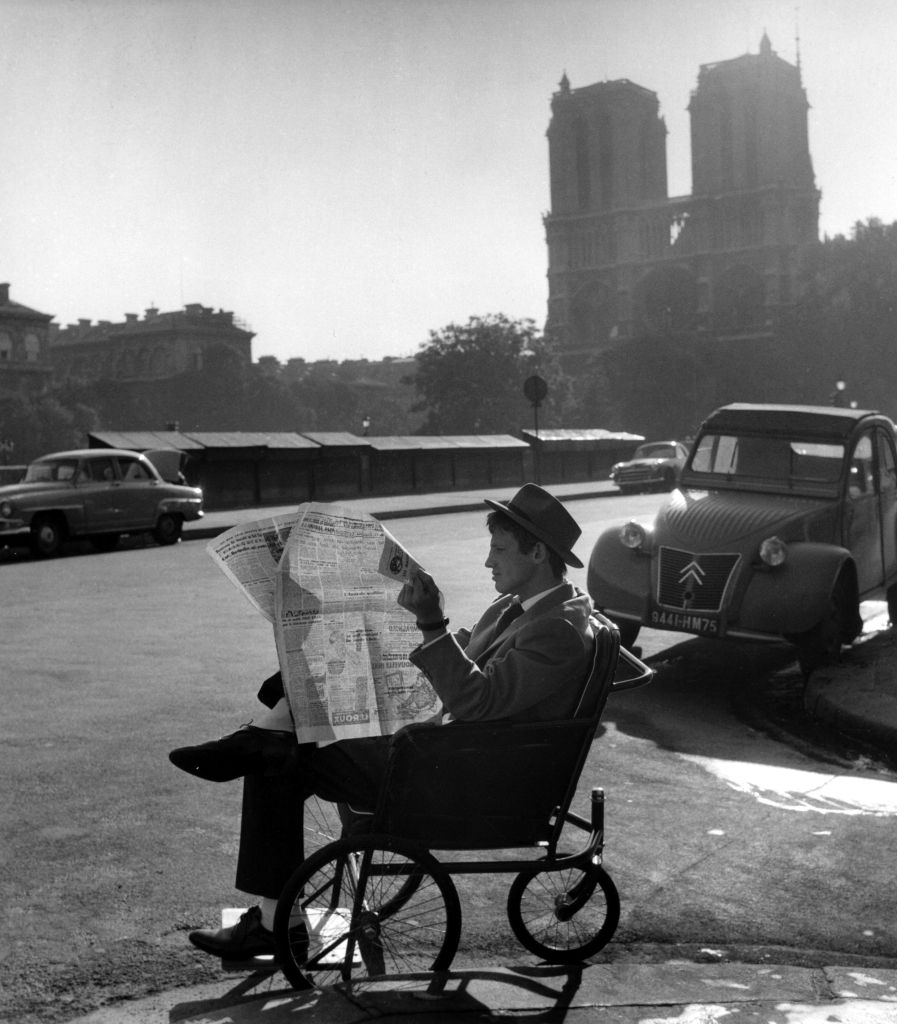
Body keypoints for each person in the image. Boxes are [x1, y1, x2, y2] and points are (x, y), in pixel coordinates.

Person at [169, 483, 595, 961]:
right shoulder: (524, 607)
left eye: (499, 549)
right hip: (446, 754)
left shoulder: (557, 630)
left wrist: (431, 625)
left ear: (538, 552)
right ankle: (262, 747)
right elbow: (471, 662)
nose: (488, 562)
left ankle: (274, 912)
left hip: (453, 776)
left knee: (282, 760)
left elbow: (478, 701)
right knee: (314, 674)